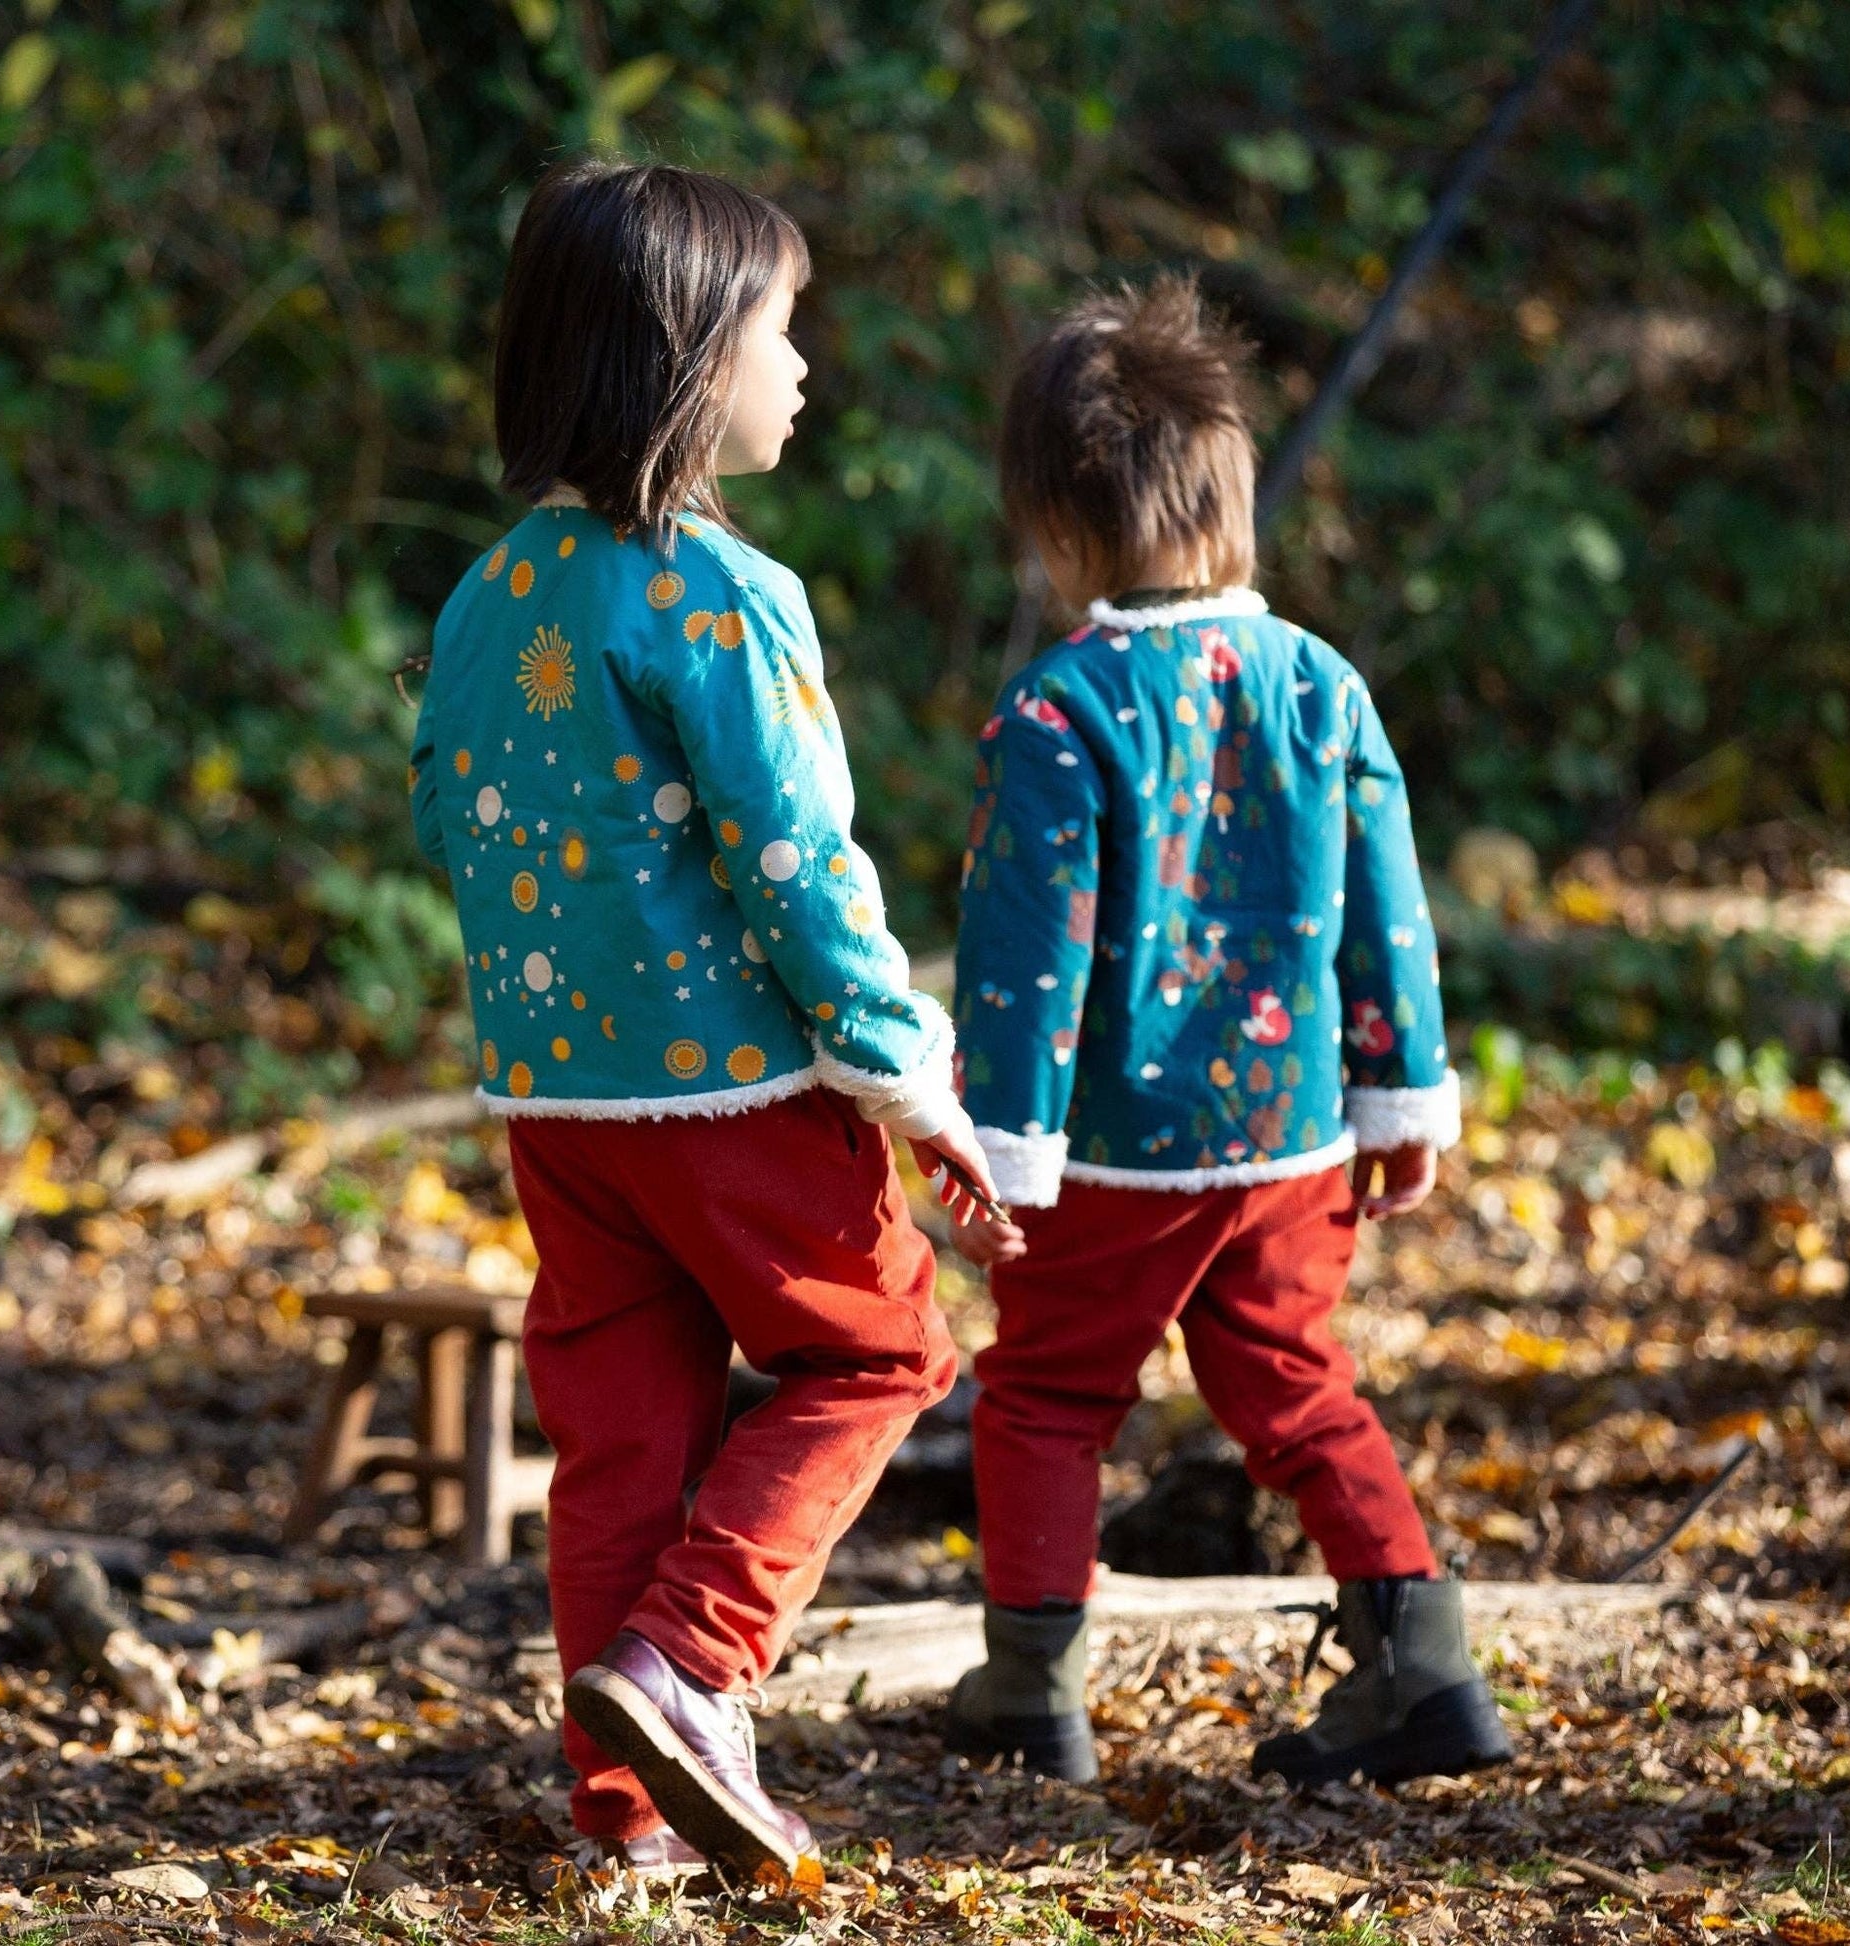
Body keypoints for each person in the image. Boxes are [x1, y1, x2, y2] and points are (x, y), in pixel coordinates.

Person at [407, 158, 1003, 1884]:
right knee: (880, 1349)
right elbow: (801, 870)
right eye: (780, 329)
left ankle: (622, 1817)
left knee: (623, 1437)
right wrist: (913, 1083)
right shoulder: (723, 597)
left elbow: (448, 819)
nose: (804, 365)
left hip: (559, 1105)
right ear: (683, 358)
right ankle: (688, 1664)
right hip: (736, 1090)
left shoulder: (482, 598)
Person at [944, 277, 1509, 1789]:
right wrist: (1403, 1095)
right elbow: (1388, 906)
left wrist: (999, 1143)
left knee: (1049, 1395)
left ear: (1055, 527)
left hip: (1116, 1161)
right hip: (1292, 1136)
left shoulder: (1060, 714)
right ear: (1233, 504)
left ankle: (1030, 1687)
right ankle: (1422, 1660)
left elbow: (1022, 956)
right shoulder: (1321, 683)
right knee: (1297, 1383)